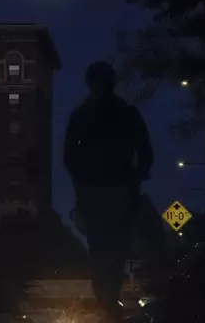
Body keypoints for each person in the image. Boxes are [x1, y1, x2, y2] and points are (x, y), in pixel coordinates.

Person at [64, 61, 154, 323]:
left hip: (110, 189)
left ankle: (108, 299)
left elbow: (144, 150)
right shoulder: (90, 114)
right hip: (102, 190)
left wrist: (135, 177)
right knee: (107, 246)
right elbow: (70, 155)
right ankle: (107, 300)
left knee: (108, 246)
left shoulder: (107, 113)